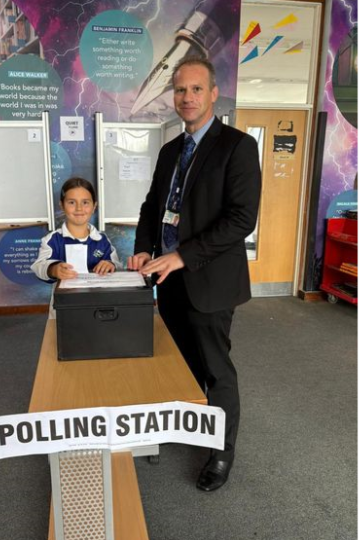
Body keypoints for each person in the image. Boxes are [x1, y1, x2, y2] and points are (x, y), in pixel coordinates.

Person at [127, 57, 261, 492]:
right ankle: (188, 423)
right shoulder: (170, 150)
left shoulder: (237, 147)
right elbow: (153, 206)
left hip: (209, 278)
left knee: (215, 368)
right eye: (180, 90)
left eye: (196, 89)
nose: (186, 97)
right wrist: (144, 247)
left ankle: (221, 452)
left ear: (213, 93)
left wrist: (182, 256)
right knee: (180, 361)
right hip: (168, 279)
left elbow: (241, 219)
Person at [32, 177, 122, 281]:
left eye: (85, 202)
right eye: (71, 202)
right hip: (65, 297)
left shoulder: (102, 240)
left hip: (97, 296)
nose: (79, 208)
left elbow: (117, 265)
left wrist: (111, 265)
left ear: (94, 206)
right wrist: (53, 269)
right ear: (62, 205)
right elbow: (39, 266)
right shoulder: (52, 240)